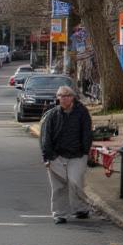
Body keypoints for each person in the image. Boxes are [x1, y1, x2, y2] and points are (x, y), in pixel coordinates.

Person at [39, 85, 93, 224]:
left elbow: (87, 133)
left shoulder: (82, 112)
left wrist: (85, 151)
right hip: (56, 155)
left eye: (66, 95)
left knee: (75, 182)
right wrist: (48, 157)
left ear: (72, 97)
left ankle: (81, 208)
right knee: (58, 186)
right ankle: (59, 214)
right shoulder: (52, 115)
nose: (63, 99)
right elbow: (45, 137)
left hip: (77, 155)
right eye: (60, 96)